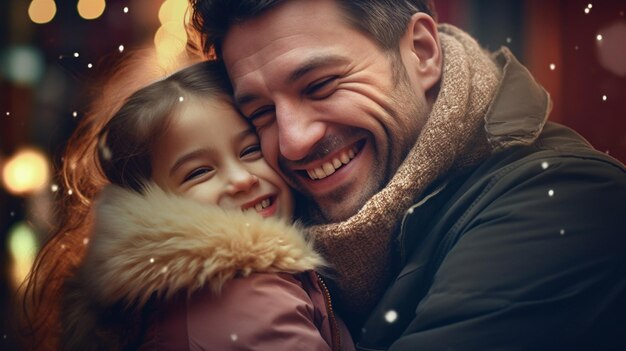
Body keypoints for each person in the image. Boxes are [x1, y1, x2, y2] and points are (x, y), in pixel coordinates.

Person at [188, 0, 626, 350]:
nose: (293, 142)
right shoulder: (270, 227)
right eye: (261, 113)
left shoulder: (566, 203)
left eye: (321, 85)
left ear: (421, 51)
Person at [57, 60, 355, 350]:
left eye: (250, 150)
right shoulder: (248, 300)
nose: (241, 179)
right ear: (152, 204)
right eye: (199, 172)